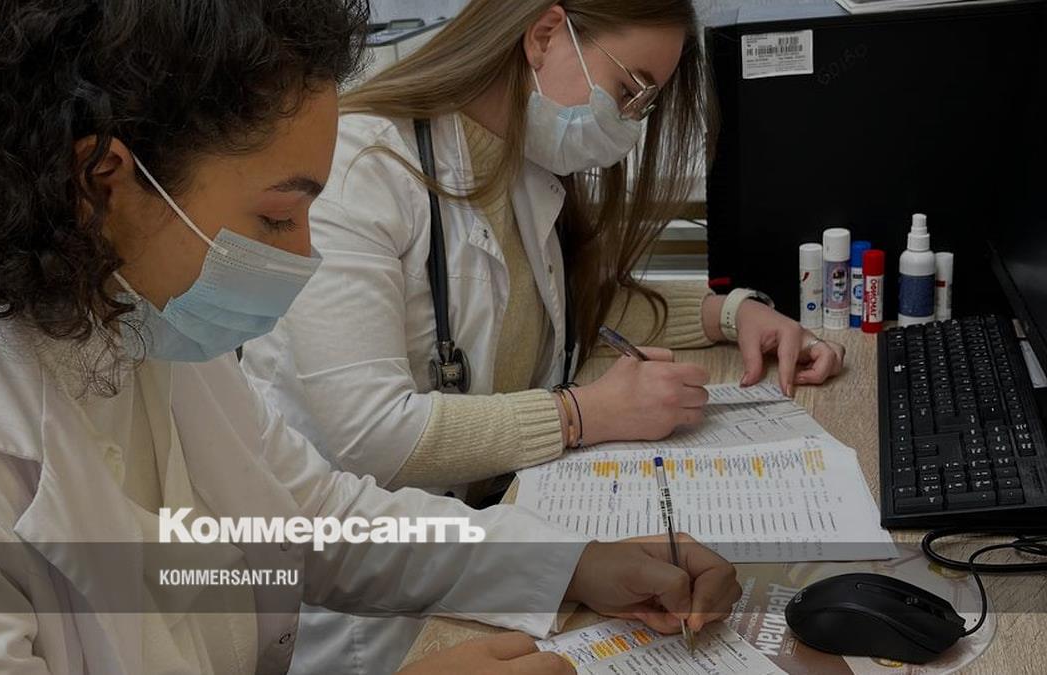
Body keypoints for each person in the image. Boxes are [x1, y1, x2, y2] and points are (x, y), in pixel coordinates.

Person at [0, 1, 742, 673]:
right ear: (100, 182)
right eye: (277, 217)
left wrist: (568, 560)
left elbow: (315, 521)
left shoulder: (129, 321)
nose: (304, 256)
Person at [239, 1, 845, 672]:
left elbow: (579, 305)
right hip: (371, 612)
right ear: (545, 35)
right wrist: (583, 414)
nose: (630, 122)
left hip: (481, 544)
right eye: (629, 89)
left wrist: (730, 314)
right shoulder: (360, 169)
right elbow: (375, 434)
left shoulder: (522, 165)